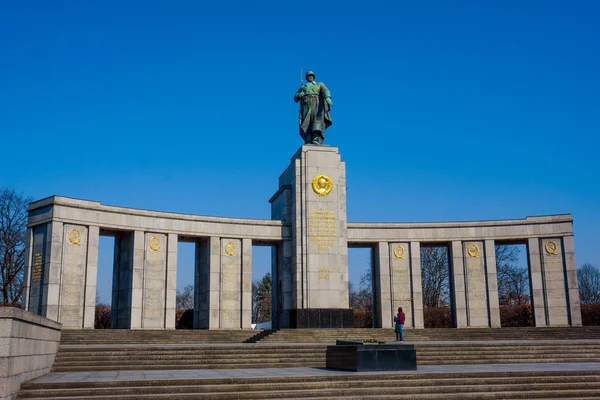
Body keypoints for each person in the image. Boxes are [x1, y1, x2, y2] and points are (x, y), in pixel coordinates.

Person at [293, 71, 332, 145]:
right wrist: (299, 94)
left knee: (316, 121)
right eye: (308, 76)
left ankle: (315, 138)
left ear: (313, 77)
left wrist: (327, 97)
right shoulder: (303, 87)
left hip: (317, 104)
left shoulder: (319, 84)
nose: (310, 77)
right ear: (306, 78)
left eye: (311, 76)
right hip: (306, 105)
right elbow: (295, 98)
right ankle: (308, 139)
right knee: (306, 123)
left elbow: (325, 90)